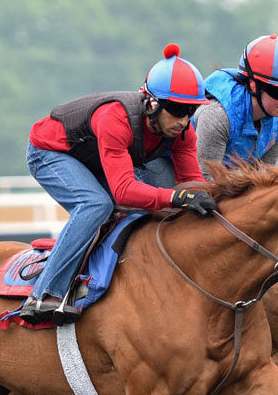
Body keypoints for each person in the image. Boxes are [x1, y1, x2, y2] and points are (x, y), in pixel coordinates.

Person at [21, 43, 218, 326]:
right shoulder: (115, 118)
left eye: (190, 110)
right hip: (50, 153)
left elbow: (192, 185)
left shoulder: (183, 131)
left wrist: (208, 202)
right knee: (96, 204)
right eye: (176, 109)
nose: (184, 120)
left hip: (96, 158)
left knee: (168, 184)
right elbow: (123, 191)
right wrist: (178, 199)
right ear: (152, 103)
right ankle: (45, 293)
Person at [193, 34, 278, 177]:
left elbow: (264, 182)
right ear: (254, 85)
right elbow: (204, 181)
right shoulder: (217, 116)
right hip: (173, 168)